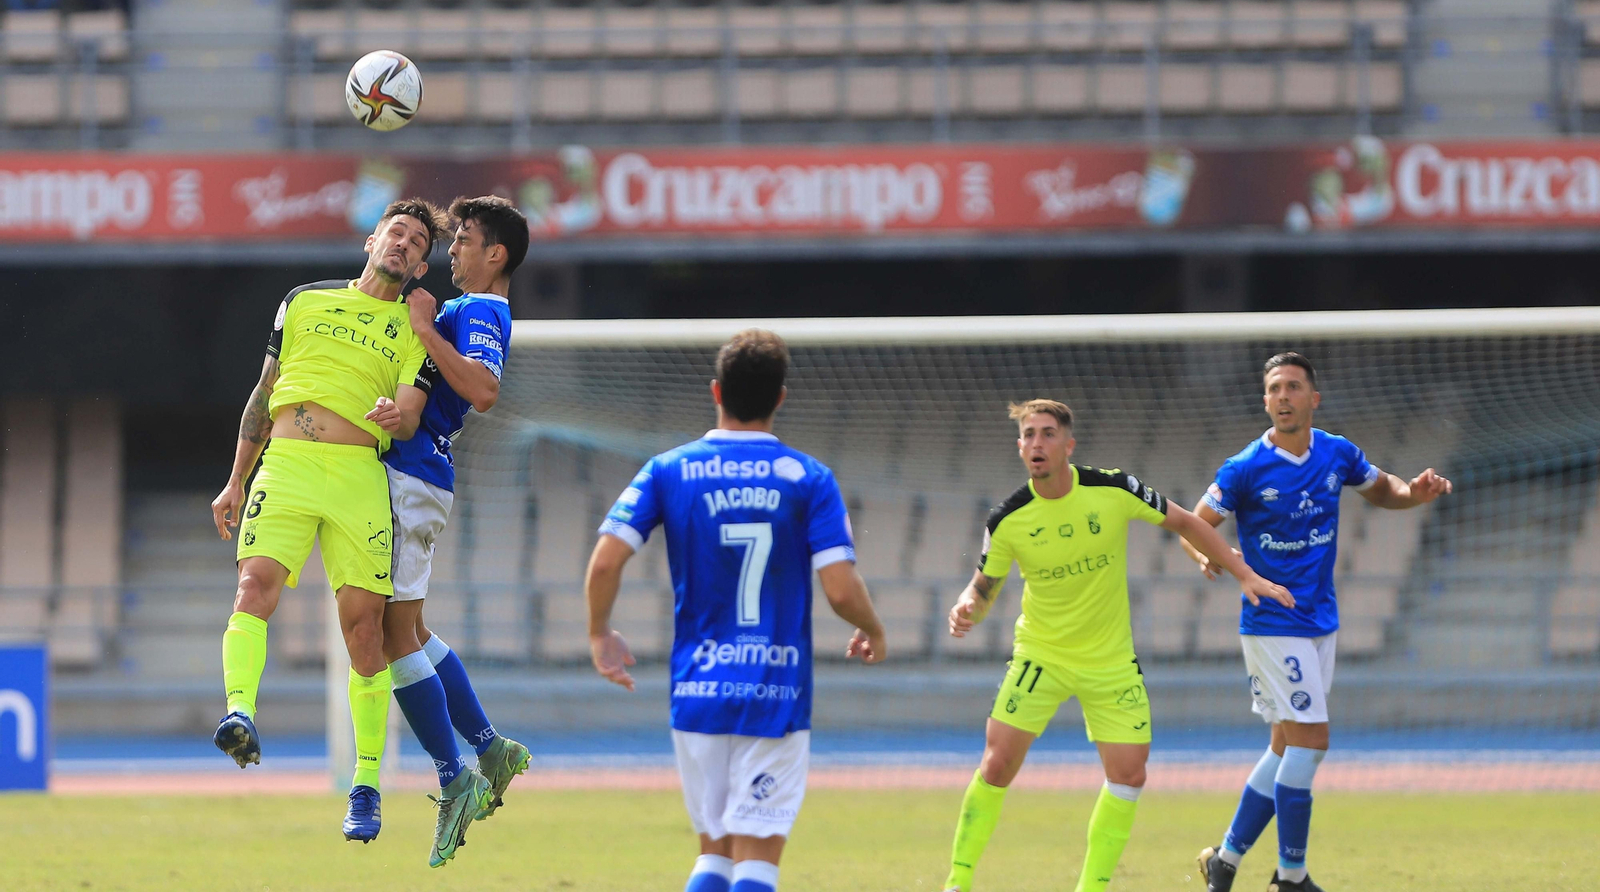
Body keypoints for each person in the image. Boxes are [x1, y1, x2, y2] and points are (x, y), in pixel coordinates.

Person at [207, 199, 484, 846]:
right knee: (254, 587)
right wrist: (236, 477)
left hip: (360, 474)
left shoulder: (416, 327)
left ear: (421, 266)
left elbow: (413, 416)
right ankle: (239, 714)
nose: (405, 245)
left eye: (418, 243)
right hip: (289, 465)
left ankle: (365, 784)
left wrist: (397, 419)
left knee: (365, 631)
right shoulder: (303, 300)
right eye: (397, 233)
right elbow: (264, 386)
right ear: (371, 240)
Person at [941, 399, 1295, 892]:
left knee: (1129, 774)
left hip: (1109, 662)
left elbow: (1187, 523)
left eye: (1047, 433)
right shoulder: (1009, 518)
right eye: (1028, 435)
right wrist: (966, 608)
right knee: (997, 762)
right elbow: (984, 586)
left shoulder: (1113, 488)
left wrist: (1244, 574)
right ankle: (957, 882)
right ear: (1019, 446)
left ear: (1069, 444)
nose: (1037, 443)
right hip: (1041, 656)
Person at [584, 329, 887, 892]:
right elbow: (841, 590)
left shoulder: (667, 469)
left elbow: (605, 563)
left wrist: (600, 632)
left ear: (716, 392)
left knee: (714, 856)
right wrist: (872, 628)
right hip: (774, 690)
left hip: (698, 689)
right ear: (780, 398)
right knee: (756, 860)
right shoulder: (809, 478)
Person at [1188, 352, 1452, 892]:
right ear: (1265, 401)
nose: (1282, 397)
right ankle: (1291, 878)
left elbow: (1383, 490)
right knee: (1312, 741)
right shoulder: (1244, 467)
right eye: (1274, 389)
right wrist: (1207, 555)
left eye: (1293, 387)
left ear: (1314, 398)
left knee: (1286, 746)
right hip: (1272, 621)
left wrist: (1413, 493)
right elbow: (1197, 523)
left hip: (1320, 621)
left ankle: (1226, 861)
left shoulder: (1337, 453)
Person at [378, 195, 529, 867]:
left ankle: (454, 777)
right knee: (408, 632)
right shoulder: (467, 309)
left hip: (414, 478)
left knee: (390, 636)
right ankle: (489, 748)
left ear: (494, 254)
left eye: (463, 240)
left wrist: (426, 327)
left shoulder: (483, 311)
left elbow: (484, 391)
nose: (452, 251)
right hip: (414, 474)